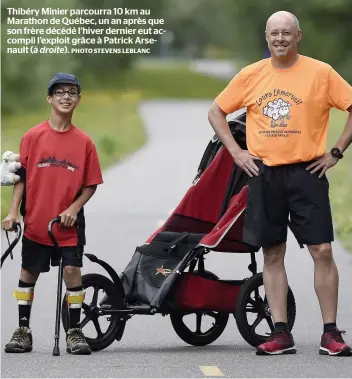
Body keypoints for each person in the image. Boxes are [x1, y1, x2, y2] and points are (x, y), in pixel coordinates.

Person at [208, 11, 352, 356]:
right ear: (267, 37)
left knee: (323, 250)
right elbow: (216, 112)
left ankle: (330, 333)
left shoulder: (320, 73)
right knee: (272, 252)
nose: (280, 39)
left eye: (287, 33)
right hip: (264, 173)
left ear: (298, 36)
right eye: (274, 34)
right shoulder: (251, 75)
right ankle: (280, 333)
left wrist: (336, 151)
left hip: (308, 172)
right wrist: (237, 153)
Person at [2, 73, 103, 355]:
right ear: (49, 98)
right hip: (36, 220)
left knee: (72, 271)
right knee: (28, 271)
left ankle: (74, 331)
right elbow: (20, 179)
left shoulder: (85, 142)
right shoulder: (32, 137)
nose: (66, 97)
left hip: (68, 223)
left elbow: (91, 184)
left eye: (72, 92)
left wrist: (73, 209)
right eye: (60, 92)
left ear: (78, 100)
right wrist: (13, 213)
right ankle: (23, 331)